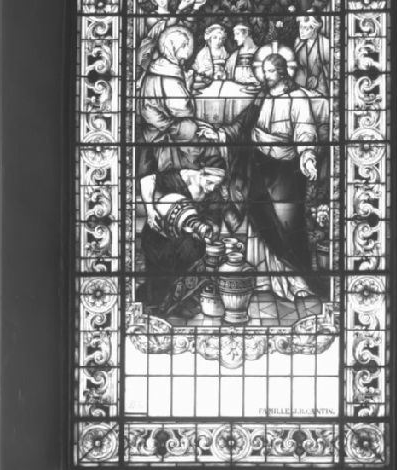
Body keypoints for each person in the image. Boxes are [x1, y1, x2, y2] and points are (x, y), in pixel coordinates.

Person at [245, 53, 327, 300]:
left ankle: (297, 280)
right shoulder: (264, 96)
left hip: (284, 168)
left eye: (270, 71)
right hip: (260, 163)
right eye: (264, 71)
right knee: (260, 217)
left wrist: (307, 155)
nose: (265, 76)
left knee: (288, 224)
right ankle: (265, 278)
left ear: (281, 72)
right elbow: (247, 124)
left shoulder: (298, 97)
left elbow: (305, 129)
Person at [137, 164, 227, 316]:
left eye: (216, 185)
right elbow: (146, 180)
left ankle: (180, 303)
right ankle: (156, 303)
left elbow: (213, 223)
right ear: (202, 174)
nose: (212, 188)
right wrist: (150, 210)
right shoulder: (179, 178)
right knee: (160, 266)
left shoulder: (213, 195)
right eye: (210, 182)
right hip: (159, 234)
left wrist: (204, 230)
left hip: (189, 241)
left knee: (190, 255)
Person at [138, 24, 221, 176]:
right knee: (204, 135)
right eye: (183, 47)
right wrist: (187, 86)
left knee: (202, 128)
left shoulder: (158, 68)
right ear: (173, 49)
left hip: (158, 124)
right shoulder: (169, 75)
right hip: (162, 130)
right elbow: (184, 109)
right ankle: (196, 173)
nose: (186, 53)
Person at [292, 10, 330, 97]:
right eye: (301, 27)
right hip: (301, 86)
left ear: (315, 29)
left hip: (321, 89)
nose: (302, 31)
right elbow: (297, 66)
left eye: (306, 28)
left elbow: (330, 70)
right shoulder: (298, 42)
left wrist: (318, 81)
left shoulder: (325, 44)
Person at [191, 23, 230, 90]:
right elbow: (201, 72)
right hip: (206, 82)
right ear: (209, 38)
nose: (218, 41)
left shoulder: (223, 51)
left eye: (221, 38)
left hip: (222, 80)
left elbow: (228, 66)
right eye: (215, 38)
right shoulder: (203, 53)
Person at [224, 20, 258, 85]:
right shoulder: (235, 55)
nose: (235, 38)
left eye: (237, 34)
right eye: (235, 35)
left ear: (246, 33)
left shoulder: (260, 52)